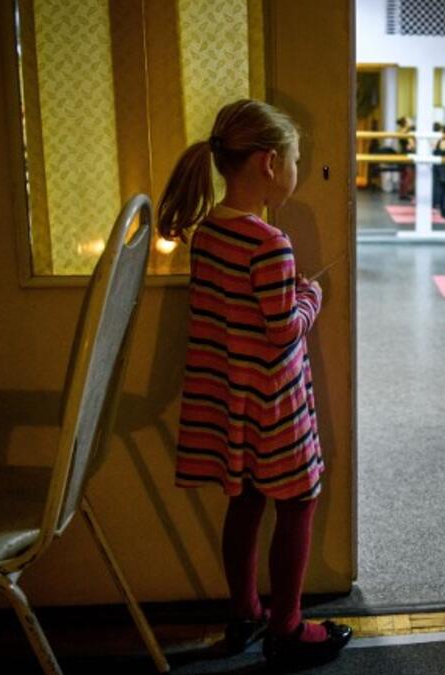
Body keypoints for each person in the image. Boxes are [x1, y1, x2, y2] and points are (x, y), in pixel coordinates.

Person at [159, 99, 352, 666]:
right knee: (298, 502)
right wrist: (311, 294)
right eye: (295, 160)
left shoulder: (209, 233)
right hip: (274, 402)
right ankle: (288, 629)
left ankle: (245, 611)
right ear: (270, 163)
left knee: (243, 500)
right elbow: (281, 331)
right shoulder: (269, 243)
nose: (297, 171)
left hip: (228, 398)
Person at [396, 116, 415, 201]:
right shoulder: (405, 131)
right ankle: (404, 193)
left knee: (404, 174)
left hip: (404, 153)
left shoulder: (402, 130)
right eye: (409, 120)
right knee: (407, 174)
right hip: (406, 153)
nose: (411, 121)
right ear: (406, 123)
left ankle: (403, 193)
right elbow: (411, 145)